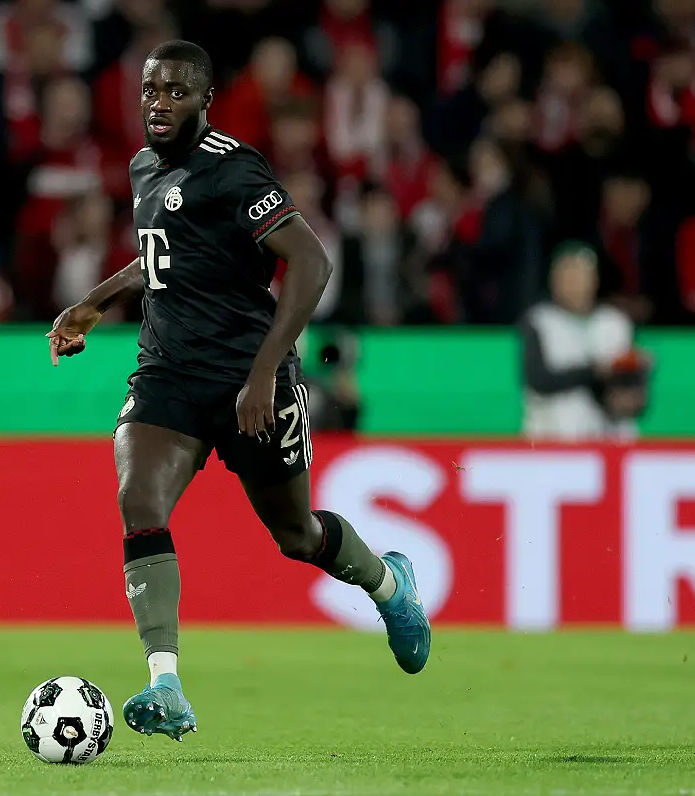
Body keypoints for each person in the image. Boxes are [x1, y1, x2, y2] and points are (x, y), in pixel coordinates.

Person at [47, 41, 431, 743]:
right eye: (150, 91)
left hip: (248, 376)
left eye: (174, 93)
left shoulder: (235, 170)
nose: (158, 105)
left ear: (204, 101)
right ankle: (165, 684)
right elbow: (162, 254)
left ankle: (389, 586)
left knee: (296, 534)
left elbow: (310, 263)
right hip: (167, 374)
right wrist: (94, 302)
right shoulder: (141, 168)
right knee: (139, 502)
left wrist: (263, 372)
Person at [520, 241, 649, 441]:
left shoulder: (615, 323)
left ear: (594, 278)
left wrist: (635, 380)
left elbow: (630, 399)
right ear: (553, 280)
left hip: (608, 443)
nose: (574, 282)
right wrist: (594, 371)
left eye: (580, 274)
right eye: (567, 275)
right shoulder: (540, 321)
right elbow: (538, 379)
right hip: (552, 442)